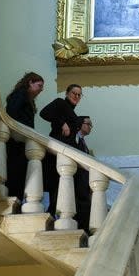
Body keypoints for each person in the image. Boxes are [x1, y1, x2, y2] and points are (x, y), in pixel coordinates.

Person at [39, 84, 83, 216]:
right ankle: (52, 214)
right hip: (58, 148)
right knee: (56, 183)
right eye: (74, 93)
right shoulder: (60, 102)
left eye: (79, 94)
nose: (76, 96)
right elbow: (44, 113)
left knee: (62, 184)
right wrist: (62, 123)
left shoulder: (72, 111)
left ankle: (55, 213)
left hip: (67, 150)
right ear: (67, 93)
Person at [4, 72, 44, 202]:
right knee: (16, 173)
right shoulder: (20, 95)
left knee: (21, 173)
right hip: (16, 141)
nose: (40, 90)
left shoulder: (27, 98)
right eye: (39, 86)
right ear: (30, 82)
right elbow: (12, 113)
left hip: (21, 141)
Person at [73, 116, 93, 232]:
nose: (90, 127)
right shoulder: (75, 138)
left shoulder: (83, 142)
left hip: (84, 182)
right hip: (78, 181)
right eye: (88, 124)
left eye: (91, 125)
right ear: (80, 124)